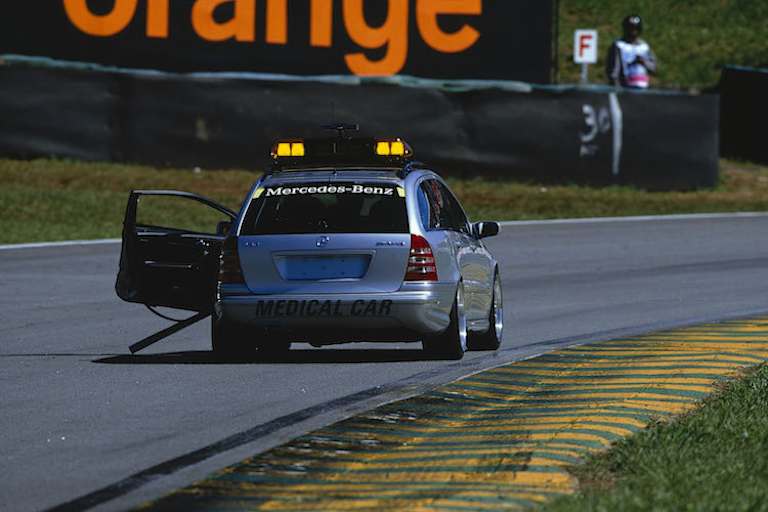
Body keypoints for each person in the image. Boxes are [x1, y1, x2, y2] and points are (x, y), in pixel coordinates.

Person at [606, 15, 657, 89]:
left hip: (643, 85)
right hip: (625, 85)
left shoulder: (644, 46)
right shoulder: (619, 45)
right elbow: (614, 69)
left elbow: (653, 67)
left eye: (635, 29)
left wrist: (643, 62)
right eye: (630, 29)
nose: (633, 32)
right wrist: (616, 85)